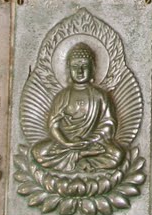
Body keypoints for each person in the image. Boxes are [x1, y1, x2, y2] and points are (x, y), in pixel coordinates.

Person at [29, 44, 126, 175]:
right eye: (75, 67)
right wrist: (66, 142)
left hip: (92, 143)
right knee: (38, 152)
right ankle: (82, 158)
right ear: (68, 69)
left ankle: (80, 159)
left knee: (117, 154)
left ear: (93, 68)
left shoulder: (100, 96)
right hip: (65, 144)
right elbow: (53, 125)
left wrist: (90, 140)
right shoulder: (63, 96)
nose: (80, 71)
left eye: (84, 66)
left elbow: (108, 123)